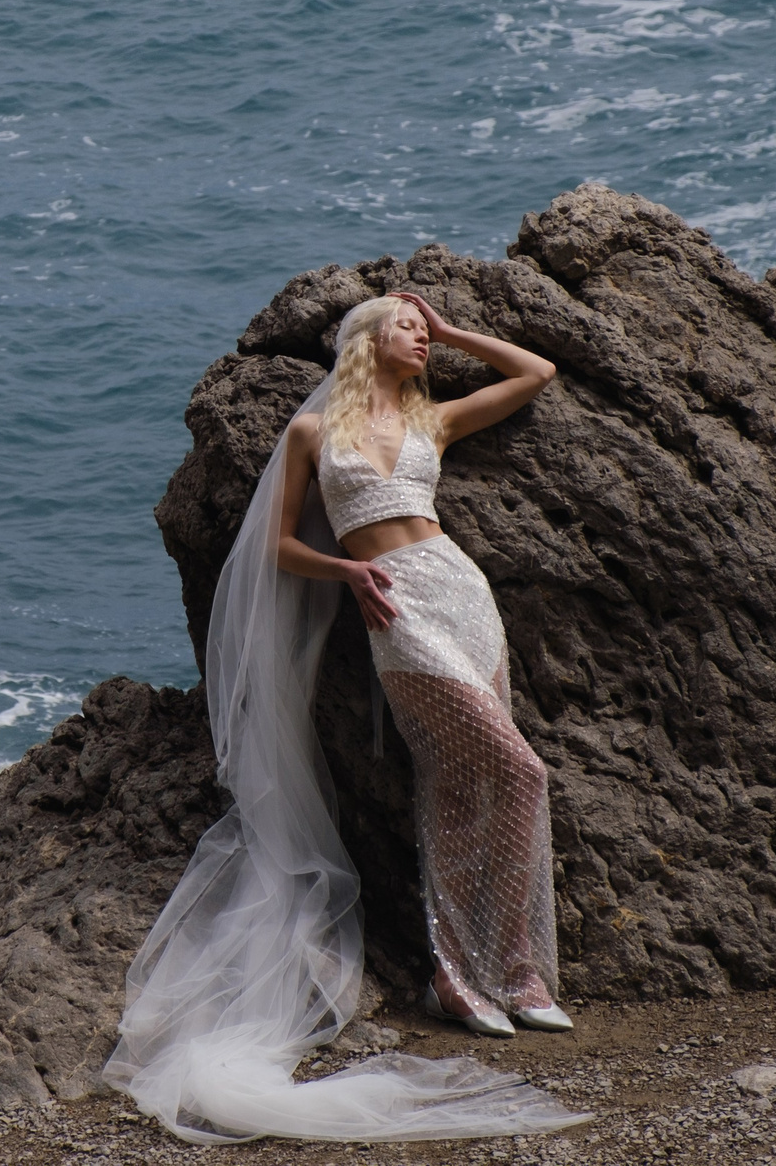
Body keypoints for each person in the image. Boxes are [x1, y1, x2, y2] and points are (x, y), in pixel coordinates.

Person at [103, 288, 584, 1144]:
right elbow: (278, 543)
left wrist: (450, 324)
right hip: (397, 613)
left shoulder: (433, 421)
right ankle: (455, 970)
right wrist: (346, 572)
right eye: (407, 328)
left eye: (425, 331)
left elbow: (536, 371)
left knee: (478, 782)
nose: (422, 341)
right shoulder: (313, 433)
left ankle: (514, 972)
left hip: (463, 594)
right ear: (365, 339)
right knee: (513, 769)